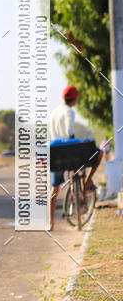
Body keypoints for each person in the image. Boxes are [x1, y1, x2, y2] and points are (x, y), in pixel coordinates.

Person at [49, 85, 100, 229]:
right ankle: (88, 181)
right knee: (99, 153)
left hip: (55, 152)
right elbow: (69, 133)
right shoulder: (69, 112)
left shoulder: (54, 112)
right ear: (75, 99)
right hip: (68, 151)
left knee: (55, 188)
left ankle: (51, 222)